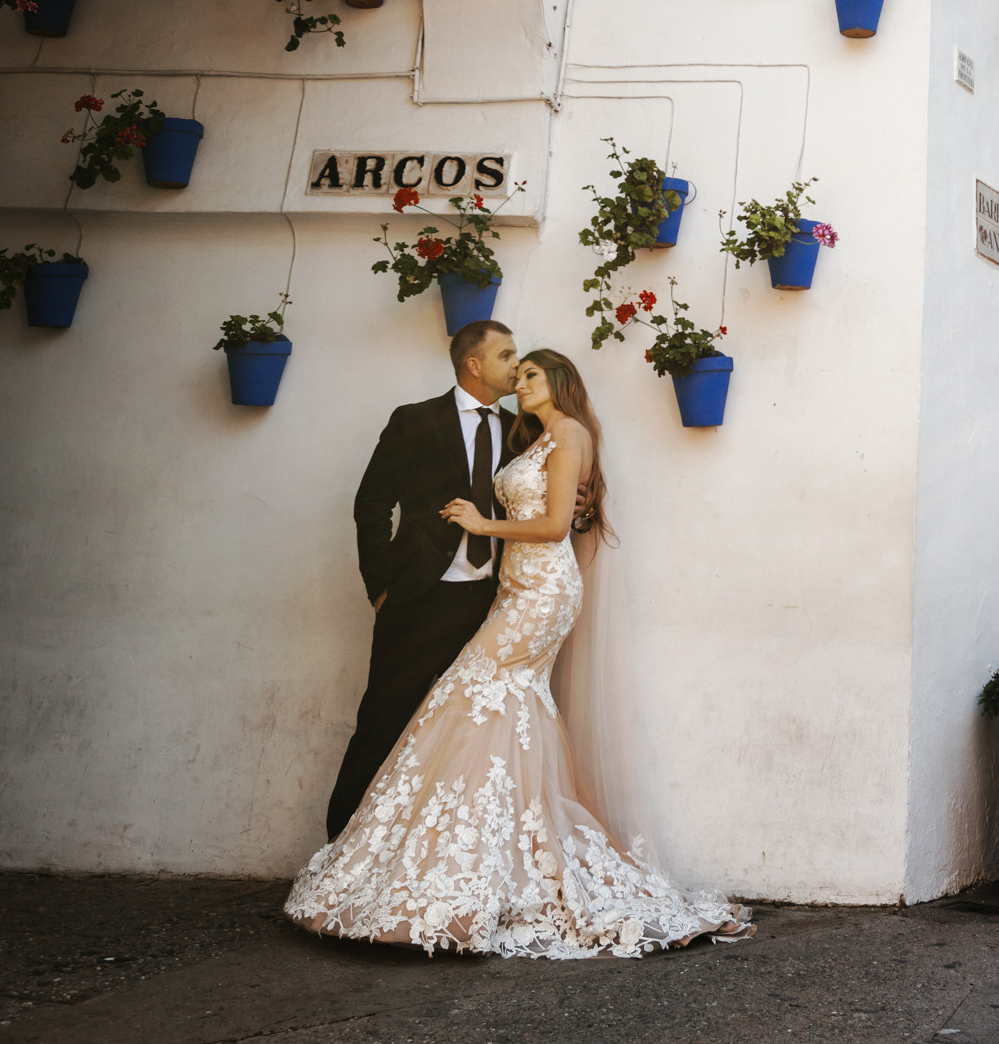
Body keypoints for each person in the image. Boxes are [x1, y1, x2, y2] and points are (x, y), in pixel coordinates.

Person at [287, 350, 750, 958]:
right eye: (516, 370)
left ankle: (471, 871)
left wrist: (483, 527)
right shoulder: (536, 438)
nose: (519, 381)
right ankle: (495, 865)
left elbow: (555, 525)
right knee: (504, 711)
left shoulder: (571, 433)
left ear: (558, 381)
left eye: (530, 373)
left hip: (542, 593)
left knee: (469, 694)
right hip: (516, 589)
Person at [321, 320, 528, 839]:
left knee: (467, 734)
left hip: (491, 604)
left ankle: (434, 857)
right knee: (383, 725)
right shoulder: (415, 420)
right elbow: (371, 503)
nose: (517, 366)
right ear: (473, 364)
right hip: (419, 598)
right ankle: (337, 853)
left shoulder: (521, 429)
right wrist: (381, 587)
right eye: (505, 355)